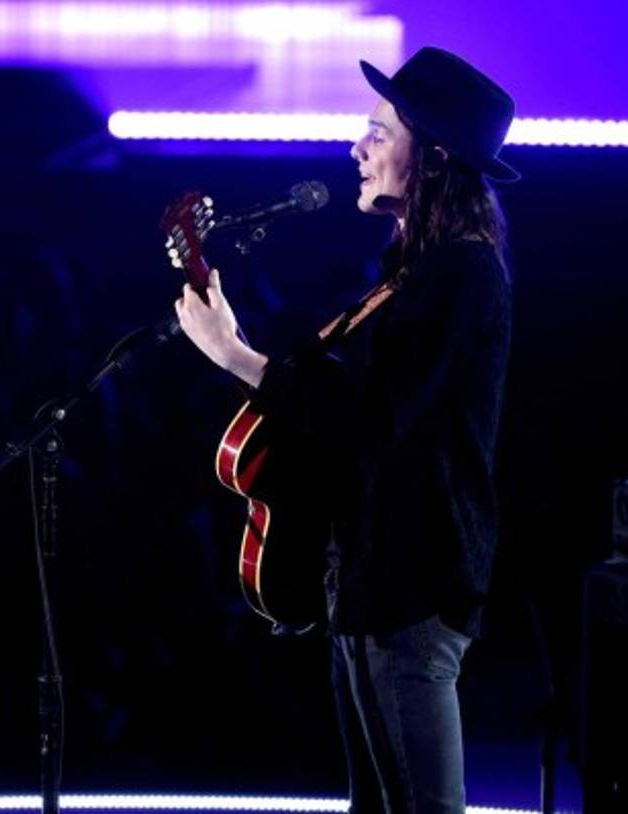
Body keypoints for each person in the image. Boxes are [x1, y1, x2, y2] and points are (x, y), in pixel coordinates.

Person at [175, 48, 517, 812]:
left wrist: (237, 356)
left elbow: (376, 424)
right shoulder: (413, 273)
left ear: (430, 156)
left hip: (412, 585)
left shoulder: (462, 276)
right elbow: (338, 412)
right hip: (364, 581)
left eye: (376, 132)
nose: (356, 149)